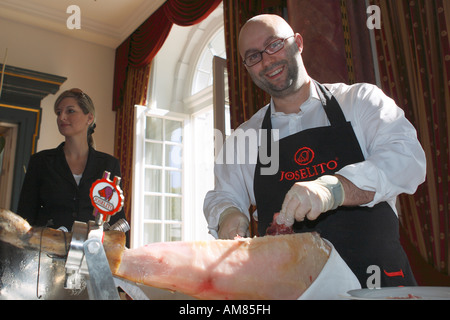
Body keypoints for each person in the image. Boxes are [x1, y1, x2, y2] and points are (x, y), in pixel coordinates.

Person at [203, 14, 426, 288]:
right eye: (253, 56)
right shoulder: (244, 138)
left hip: (380, 288)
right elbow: (223, 195)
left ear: (298, 43)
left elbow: (407, 159)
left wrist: (335, 189)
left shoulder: (359, 102)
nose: (267, 60)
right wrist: (228, 215)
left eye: (274, 45)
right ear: (247, 68)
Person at [17, 88, 126, 231]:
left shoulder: (108, 164)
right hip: (46, 250)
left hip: (93, 250)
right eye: (58, 112)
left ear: (89, 118)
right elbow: (25, 218)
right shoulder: (40, 162)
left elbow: (117, 219)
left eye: (70, 111)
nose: (61, 117)